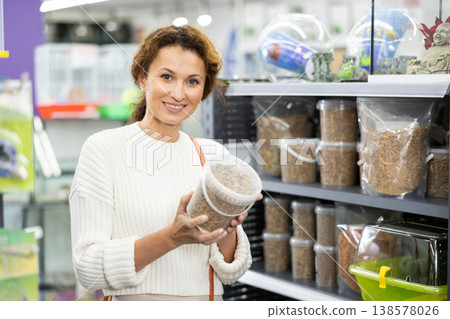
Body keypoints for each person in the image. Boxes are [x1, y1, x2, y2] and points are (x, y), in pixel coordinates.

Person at [69, 25, 258, 301]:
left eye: (192, 81)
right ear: (142, 78)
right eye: (166, 77)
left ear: (203, 89)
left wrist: (225, 229)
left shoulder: (214, 157)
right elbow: (88, 268)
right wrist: (172, 237)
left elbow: (231, 272)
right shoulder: (104, 150)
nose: (178, 93)